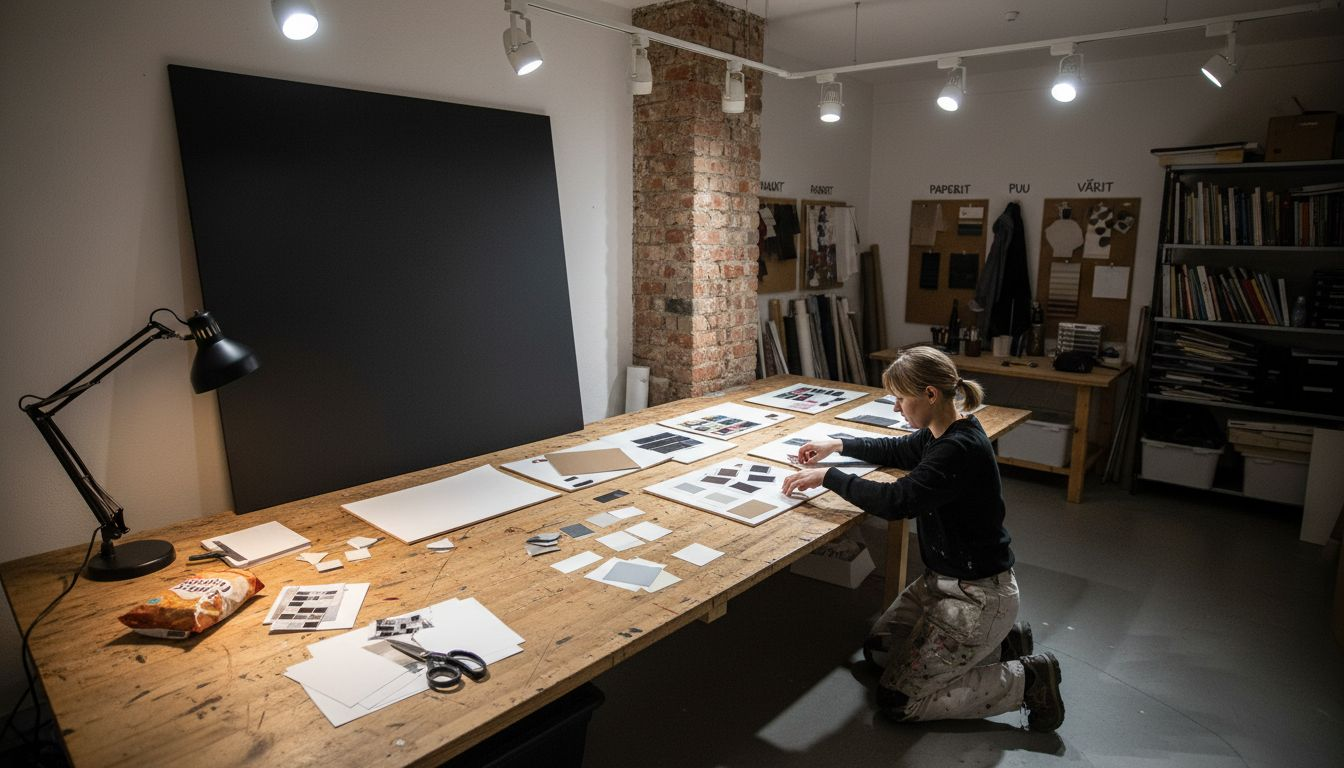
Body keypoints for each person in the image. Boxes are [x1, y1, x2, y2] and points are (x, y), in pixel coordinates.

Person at [781, 346, 1064, 731]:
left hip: (978, 593)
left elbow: (897, 500)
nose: (896, 408)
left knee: (900, 701)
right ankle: (1004, 642)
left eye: (901, 399)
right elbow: (896, 449)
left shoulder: (959, 449)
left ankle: (1028, 680)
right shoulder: (940, 430)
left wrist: (830, 477)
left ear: (930, 395)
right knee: (879, 652)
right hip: (941, 581)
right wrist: (838, 445)